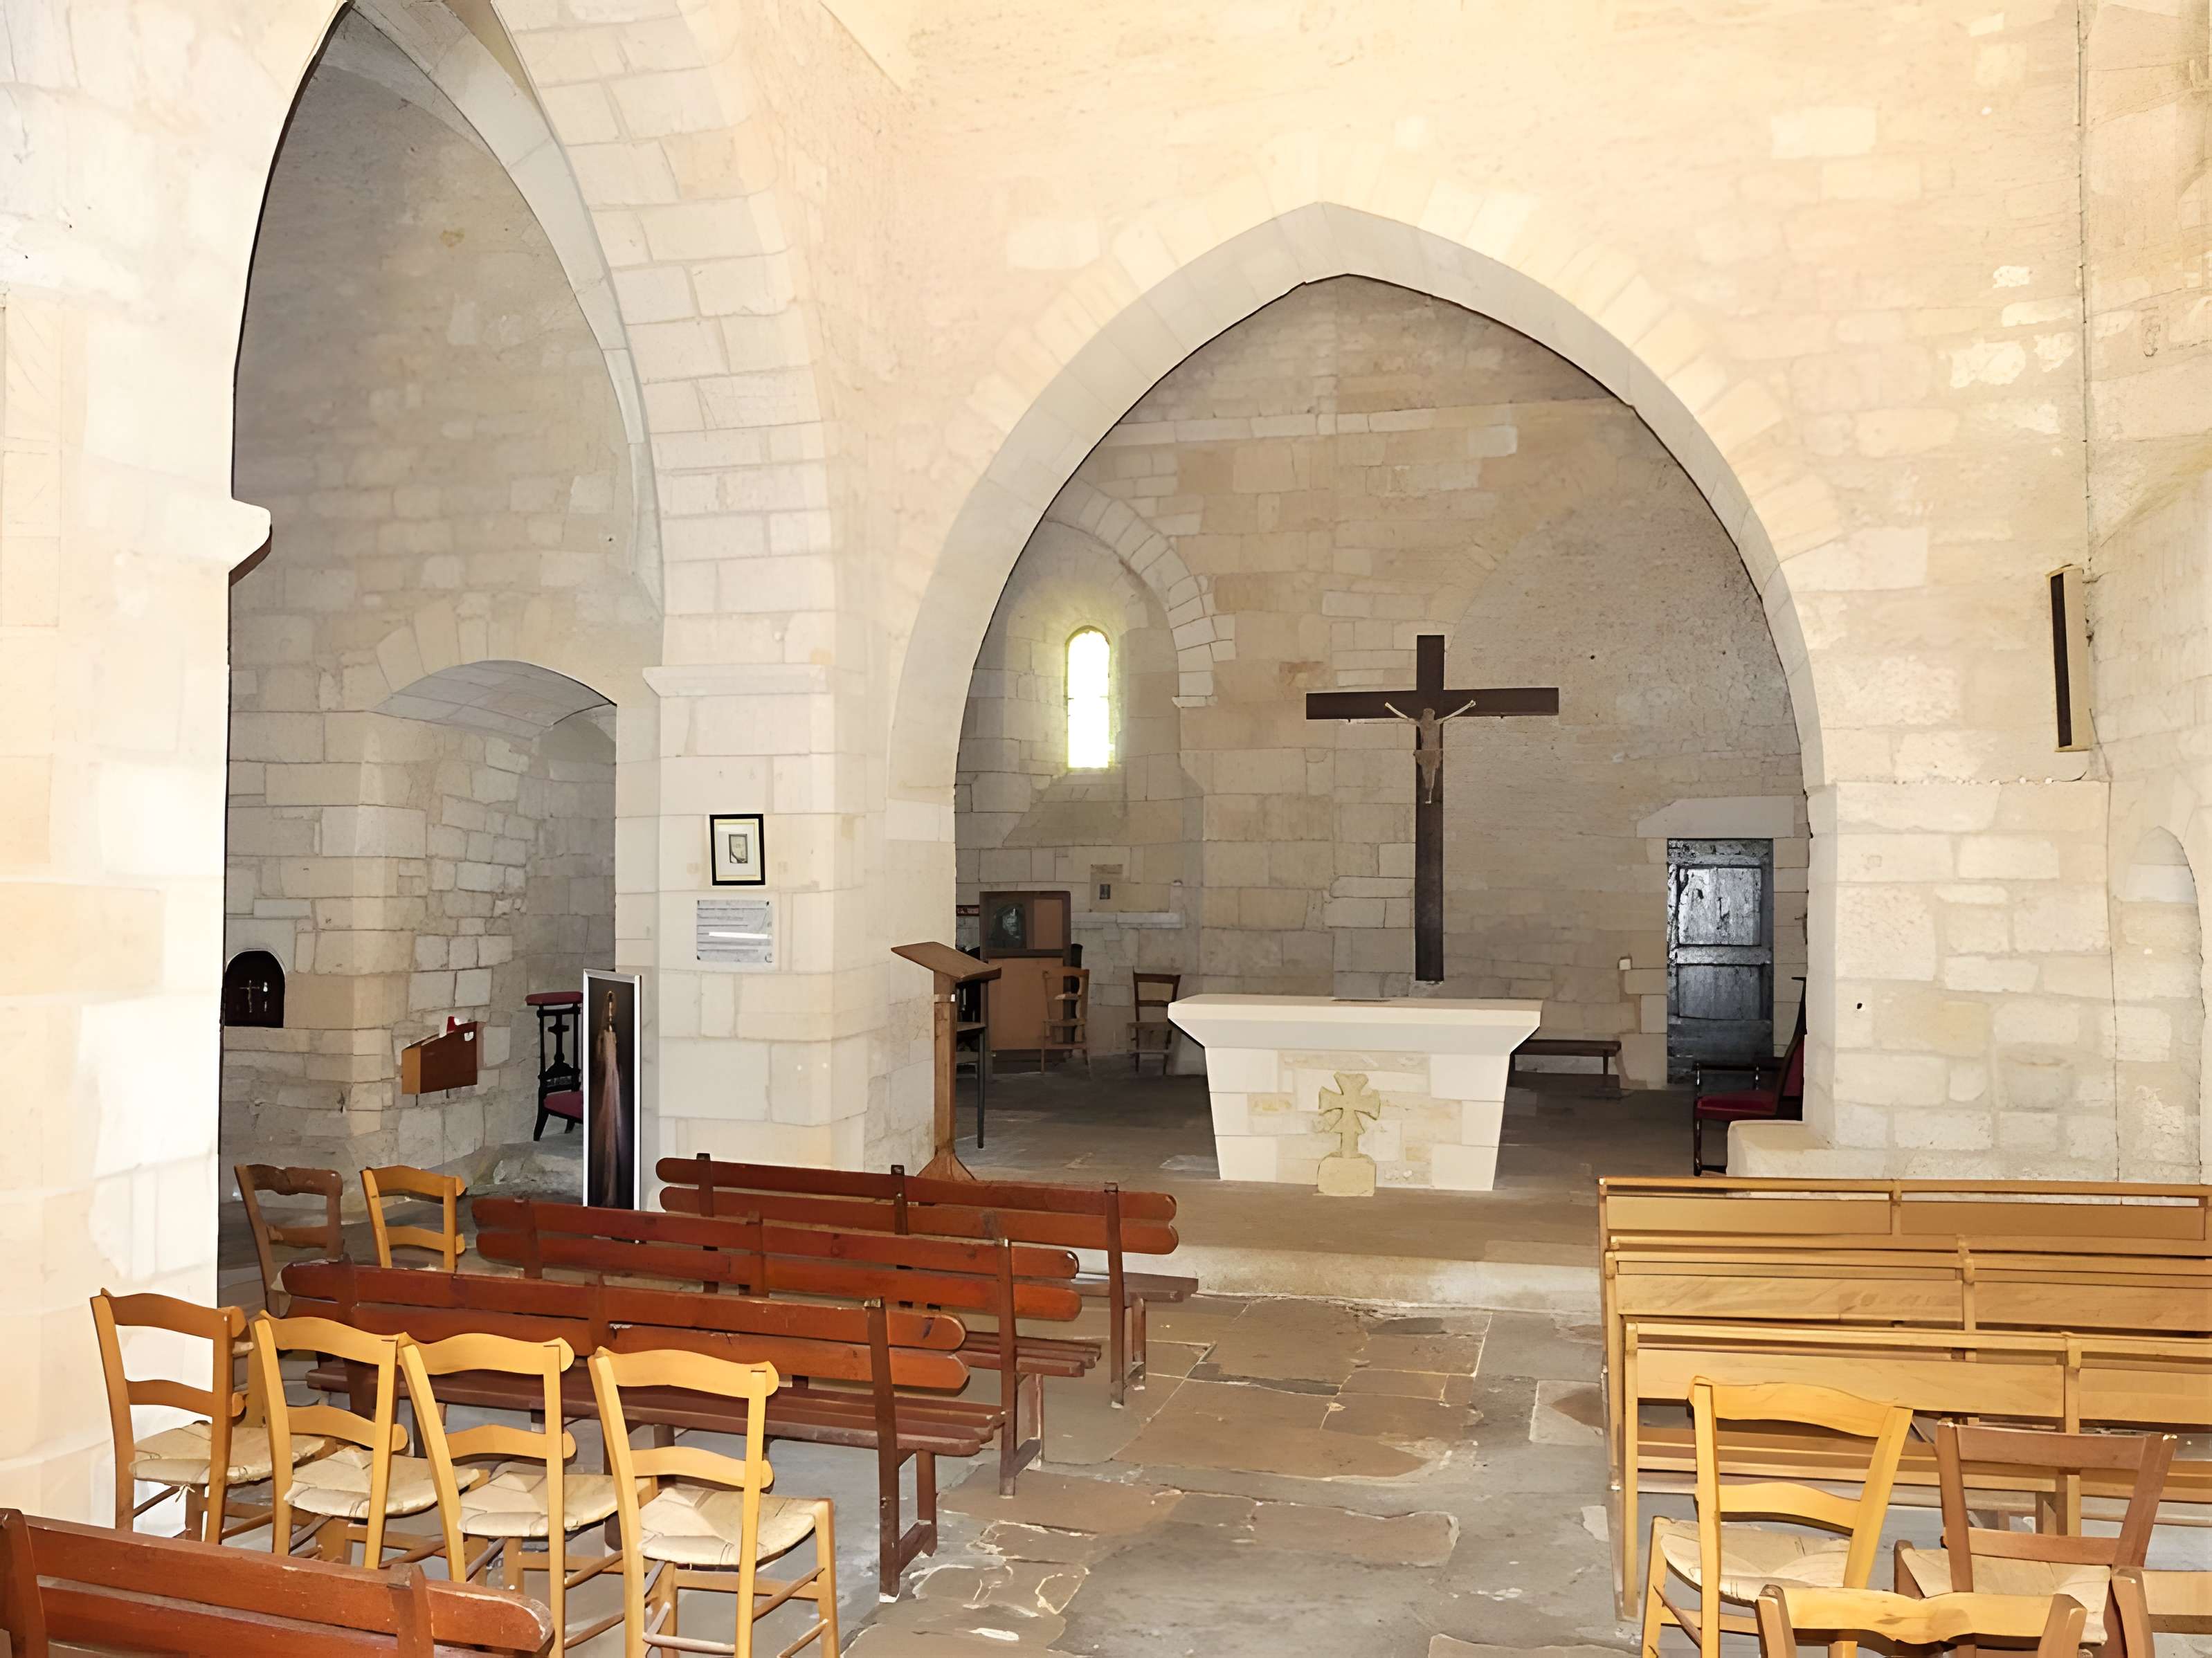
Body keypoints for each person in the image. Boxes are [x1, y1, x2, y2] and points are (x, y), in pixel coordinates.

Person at [589, 986, 633, 1207]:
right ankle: (607, 1196)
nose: (610, 1013)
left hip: (617, 1088)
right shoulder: (601, 1037)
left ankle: (614, 1196)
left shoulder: (619, 1035)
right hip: (607, 1090)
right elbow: (598, 1062)